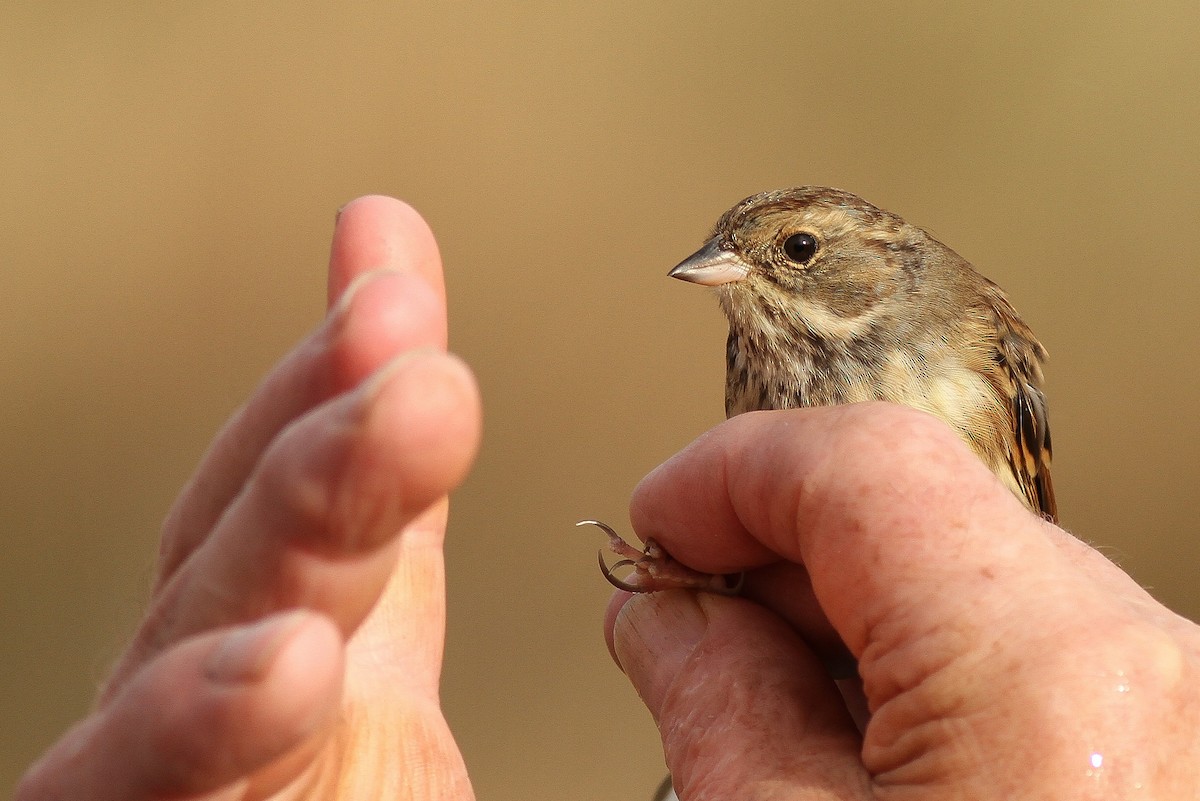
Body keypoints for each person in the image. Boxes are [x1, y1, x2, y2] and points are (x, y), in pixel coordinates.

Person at [17, 196, 1200, 800]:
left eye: (788, 253)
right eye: (741, 253)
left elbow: (1025, 556)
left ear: (879, 264)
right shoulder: (757, 365)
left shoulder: (975, 343)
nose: (736, 270)